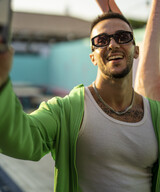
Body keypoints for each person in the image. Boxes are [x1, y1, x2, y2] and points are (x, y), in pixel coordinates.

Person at [0, 12, 160, 192]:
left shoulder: (156, 115)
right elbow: (20, 140)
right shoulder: (65, 111)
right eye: (101, 40)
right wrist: (1, 83)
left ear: (136, 50)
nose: (113, 44)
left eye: (122, 37)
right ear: (93, 57)